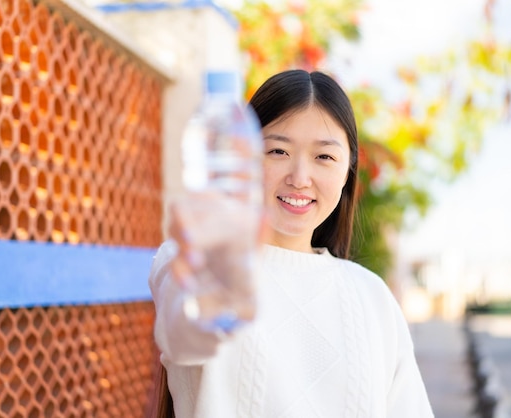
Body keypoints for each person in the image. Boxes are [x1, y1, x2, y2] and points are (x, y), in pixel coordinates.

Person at [148, 69, 434, 418]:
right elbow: (185, 340)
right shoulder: (194, 261)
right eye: (278, 151)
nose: (299, 178)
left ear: (348, 171)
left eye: (324, 157)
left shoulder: (373, 297)